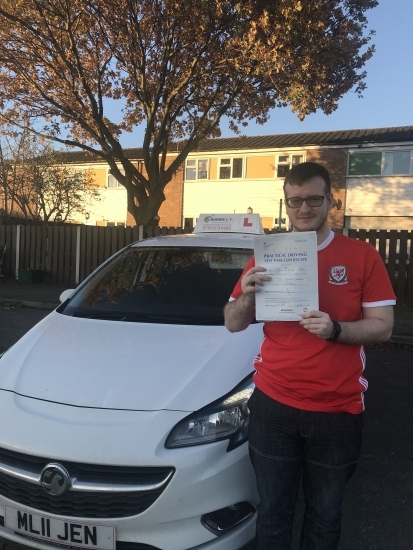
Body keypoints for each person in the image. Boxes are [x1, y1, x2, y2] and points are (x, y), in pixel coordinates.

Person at [224, 161, 396, 550]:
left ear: (330, 200)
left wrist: (336, 329)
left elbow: (383, 326)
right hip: (273, 406)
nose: (304, 209)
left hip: (337, 411)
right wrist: (247, 294)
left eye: (313, 199)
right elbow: (233, 323)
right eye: (294, 201)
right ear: (285, 204)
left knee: (325, 514)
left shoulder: (362, 255)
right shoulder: (267, 254)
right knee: (272, 511)